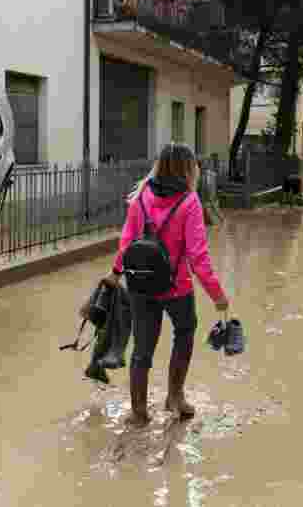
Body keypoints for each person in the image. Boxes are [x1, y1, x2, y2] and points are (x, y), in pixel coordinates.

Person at [104, 143, 229, 426]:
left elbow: (127, 242)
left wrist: (115, 272)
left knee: (142, 349)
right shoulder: (189, 202)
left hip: (140, 286)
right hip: (177, 287)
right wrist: (217, 295)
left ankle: (138, 412)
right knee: (184, 333)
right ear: (188, 169)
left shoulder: (141, 196)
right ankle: (175, 397)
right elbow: (198, 257)